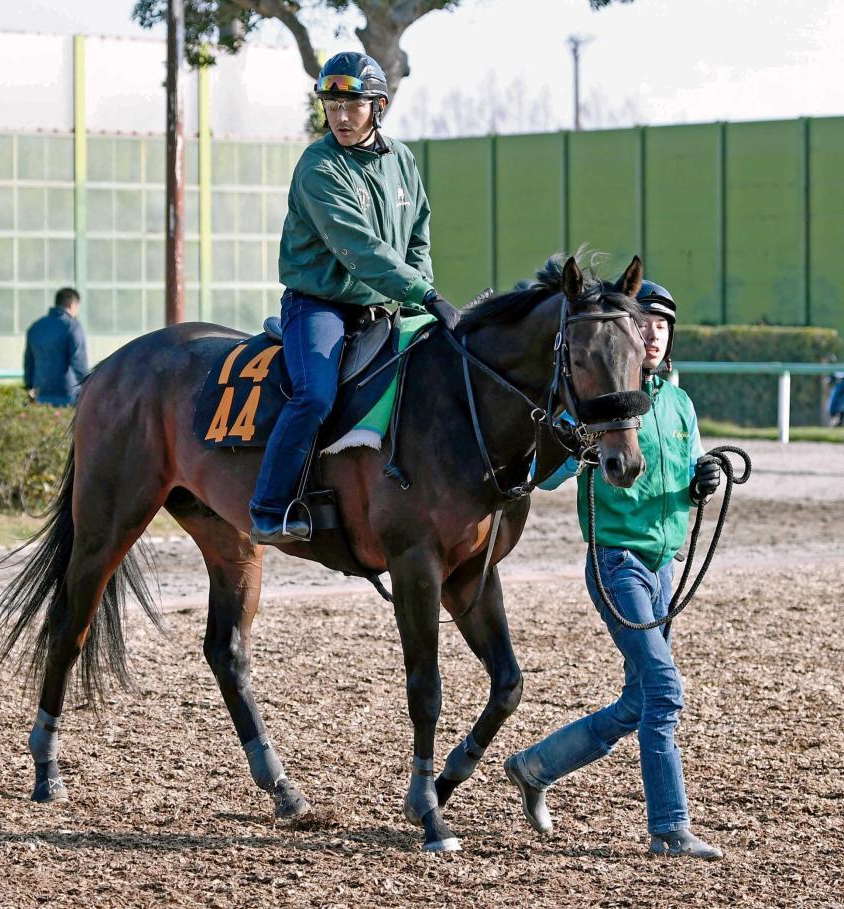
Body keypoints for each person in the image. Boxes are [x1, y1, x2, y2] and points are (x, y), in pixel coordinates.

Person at [504, 280, 725, 860]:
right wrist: (565, 445)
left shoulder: (679, 404)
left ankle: (534, 767)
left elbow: (685, 477)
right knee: (664, 691)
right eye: (643, 323)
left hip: (662, 568)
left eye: (662, 324)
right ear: (625, 335)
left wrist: (703, 484)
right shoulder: (600, 405)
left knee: (637, 702)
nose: (653, 332)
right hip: (616, 563)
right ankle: (669, 829)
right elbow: (546, 479)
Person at [248, 51, 459, 545]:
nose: (340, 116)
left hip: (388, 304)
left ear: (378, 106)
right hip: (319, 305)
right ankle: (269, 506)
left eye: (353, 106)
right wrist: (426, 293)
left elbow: (417, 236)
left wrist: (416, 297)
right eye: (332, 105)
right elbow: (359, 249)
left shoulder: (403, 160)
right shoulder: (318, 166)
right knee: (315, 395)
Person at [23, 287, 89, 407]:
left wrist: (29, 385)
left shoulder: (36, 327)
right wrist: (88, 386)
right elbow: (79, 363)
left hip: (41, 395)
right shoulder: (72, 327)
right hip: (68, 396)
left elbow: (29, 362)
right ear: (72, 304)